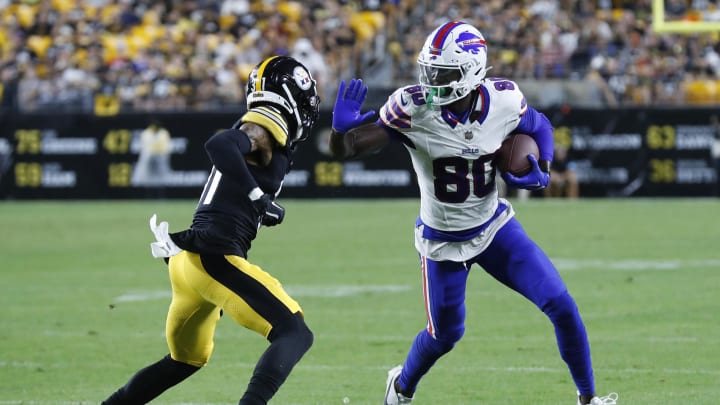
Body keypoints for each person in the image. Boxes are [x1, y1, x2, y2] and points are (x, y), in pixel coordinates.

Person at [329, 21, 618, 405]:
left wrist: (541, 169)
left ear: (471, 72)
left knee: (561, 305)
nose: (431, 81)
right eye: (428, 70)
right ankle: (400, 388)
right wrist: (338, 133)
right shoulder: (413, 107)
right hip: (442, 242)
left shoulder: (503, 100)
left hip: (494, 228)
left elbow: (539, 125)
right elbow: (348, 148)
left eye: (442, 73)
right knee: (444, 335)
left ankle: (589, 399)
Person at [102, 55, 321, 405]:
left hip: (187, 262)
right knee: (294, 333)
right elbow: (219, 144)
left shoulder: (265, 125)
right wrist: (257, 198)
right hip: (213, 258)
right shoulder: (267, 123)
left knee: (185, 360)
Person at [131, 119, 172, 188]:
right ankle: (141, 186)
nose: (155, 128)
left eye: (156, 126)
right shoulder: (146, 133)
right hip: (149, 155)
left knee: (163, 174)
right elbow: (146, 147)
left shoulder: (163, 133)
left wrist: (165, 154)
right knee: (144, 172)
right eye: (153, 126)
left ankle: (164, 187)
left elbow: (166, 146)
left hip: (161, 156)